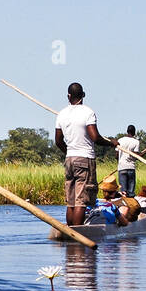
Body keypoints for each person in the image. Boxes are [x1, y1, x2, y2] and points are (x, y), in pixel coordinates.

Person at [55, 82, 118, 227]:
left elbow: (58, 141)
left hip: (69, 159)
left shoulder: (62, 114)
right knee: (81, 201)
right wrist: (111, 143)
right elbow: (95, 137)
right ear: (83, 95)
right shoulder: (88, 112)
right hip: (84, 158)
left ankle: (70, 232)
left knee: (71, 201)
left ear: (68, 96)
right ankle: (78, 233)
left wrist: (69, 152)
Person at [116, 126, 140, 197]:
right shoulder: (136, 142)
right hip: (131, 168)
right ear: (134, 132)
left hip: (122, 168)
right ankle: (131, 206)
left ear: (127, 131)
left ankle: (124, 206)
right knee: (131, 192)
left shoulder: (120, 140)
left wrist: (120, 162)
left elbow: (116, 156)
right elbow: (136, 157)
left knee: (123, 192)